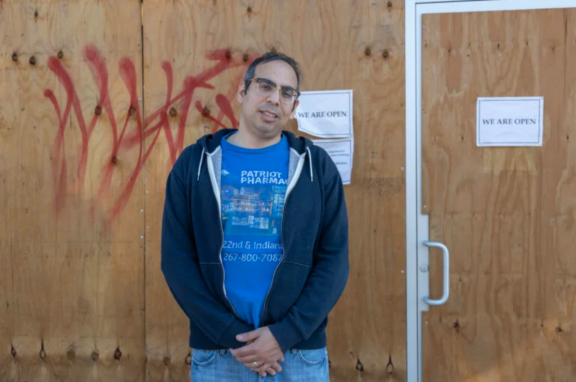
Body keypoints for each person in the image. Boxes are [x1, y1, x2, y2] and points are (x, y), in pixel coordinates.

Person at [161, 52, 349, 381]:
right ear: (243, 91)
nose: (274, 98)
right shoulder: (194, 166)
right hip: (220, 353)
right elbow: (177, 261)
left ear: (294, 106)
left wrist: (284, 335)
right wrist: (233, 337)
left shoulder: (317, 169)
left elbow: (334, 260)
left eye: (286, 92)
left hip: (297, 352)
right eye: (265, 85)